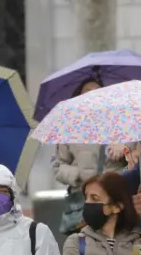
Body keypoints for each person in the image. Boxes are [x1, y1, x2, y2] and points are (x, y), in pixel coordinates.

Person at [52, 78, 128, 234]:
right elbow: (57, 165)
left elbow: (137, 160)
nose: (93, 96)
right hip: (84, 202)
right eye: (87, 92)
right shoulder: (69, 129)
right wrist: (77, 174)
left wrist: (124, 148)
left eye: (98, 91)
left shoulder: (121, 126)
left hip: (114, 202)